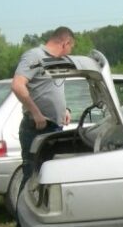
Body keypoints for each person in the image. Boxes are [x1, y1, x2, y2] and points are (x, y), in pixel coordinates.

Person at [11, 26, 75, 192]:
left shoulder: (57, 61)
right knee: (32, 177)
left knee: (49, 178)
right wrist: (36, 113)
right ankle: (23, 216)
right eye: (71, 47)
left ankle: (44, 215)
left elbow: (51, 89)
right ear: (65, 43)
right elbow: (18, 86)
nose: (70, 51)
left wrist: (64, 110)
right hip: (37, 127)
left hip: (55, 127)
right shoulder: (35, 56)